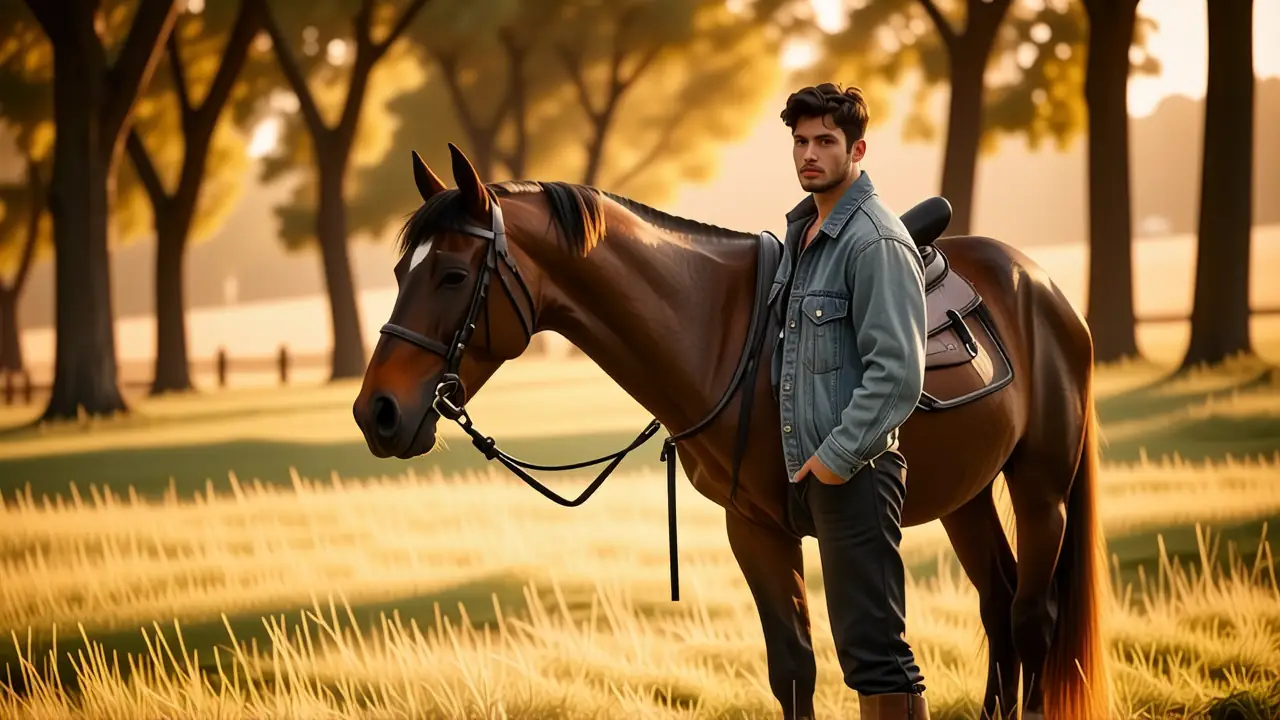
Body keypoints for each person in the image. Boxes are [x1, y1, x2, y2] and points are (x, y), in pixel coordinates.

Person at [768, 82, 931, 719]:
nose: (810, 154)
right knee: (865, 649)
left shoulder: (875, 242)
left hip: (856, 471)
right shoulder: (806, 231)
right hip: (817, 470)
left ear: (857, 148)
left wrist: (835, 460)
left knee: (874, 651)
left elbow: (897, 375)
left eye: (825, 142)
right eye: (801, 142)